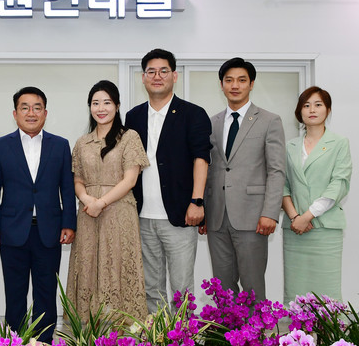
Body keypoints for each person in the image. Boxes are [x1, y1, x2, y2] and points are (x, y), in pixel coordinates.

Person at [0, 86, 76, 344]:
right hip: (12, 231)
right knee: (15, 293)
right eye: (25, 108)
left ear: (45, 113)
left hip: (49, 231)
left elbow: (67, 188)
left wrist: (69, 222)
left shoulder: (60, 145)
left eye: (37, 107)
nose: (31, 113)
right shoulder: (1, 145)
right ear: (15, 113)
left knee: (46, 293)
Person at [125, 49, 212, 313]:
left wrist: (197, 201)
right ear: (143, 77)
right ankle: (157, 336)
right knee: (151, 288)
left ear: (174, 76)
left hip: (180, 214)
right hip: (142, 216)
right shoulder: (133, 116)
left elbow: (201, 159)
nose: (157, 76)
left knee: (182, 289)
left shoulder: (193, 114)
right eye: (151, 71)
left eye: (163, 71)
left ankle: (183, 337)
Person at [200, 57, 285, 302]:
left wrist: (270, 212)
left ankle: (256, 327)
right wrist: (203, 209)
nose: (235, 85)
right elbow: (206, 168)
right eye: (229, 80)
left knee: (252, 285)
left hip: (253, 217)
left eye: (241, 80)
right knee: (222, 287)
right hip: (217, 216)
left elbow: (277, 170)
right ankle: (226, 327)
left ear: (251, 84)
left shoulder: (269, 120)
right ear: (221, 84)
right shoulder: (212, 122)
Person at [67, 80, 150, 320]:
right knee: (88, 266)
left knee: (117, 265)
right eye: (95, 103)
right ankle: (87, 329)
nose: (101, 108)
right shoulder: (82, 143)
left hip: (119, 211)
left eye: (107, 102)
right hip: (88, 213)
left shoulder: (129, 137)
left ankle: (123, 330)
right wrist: (86, 199)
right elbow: (77, 179)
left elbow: (130, 180)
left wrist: (101, 203)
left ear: (117, 106)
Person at [281, 86, 351, 303]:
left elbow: (338, 184)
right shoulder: (290, 146)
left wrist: (307, 216)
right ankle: (296, 327)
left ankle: (328, 326)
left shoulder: (339, 143)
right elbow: (282, 185)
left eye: (318, 105)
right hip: (295, 229)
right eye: (306, 105)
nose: (312, 109)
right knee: (296, 291)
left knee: (327, 291)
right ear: (299, 111)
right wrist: (295, 217)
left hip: (325, 227)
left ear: (328, 110)